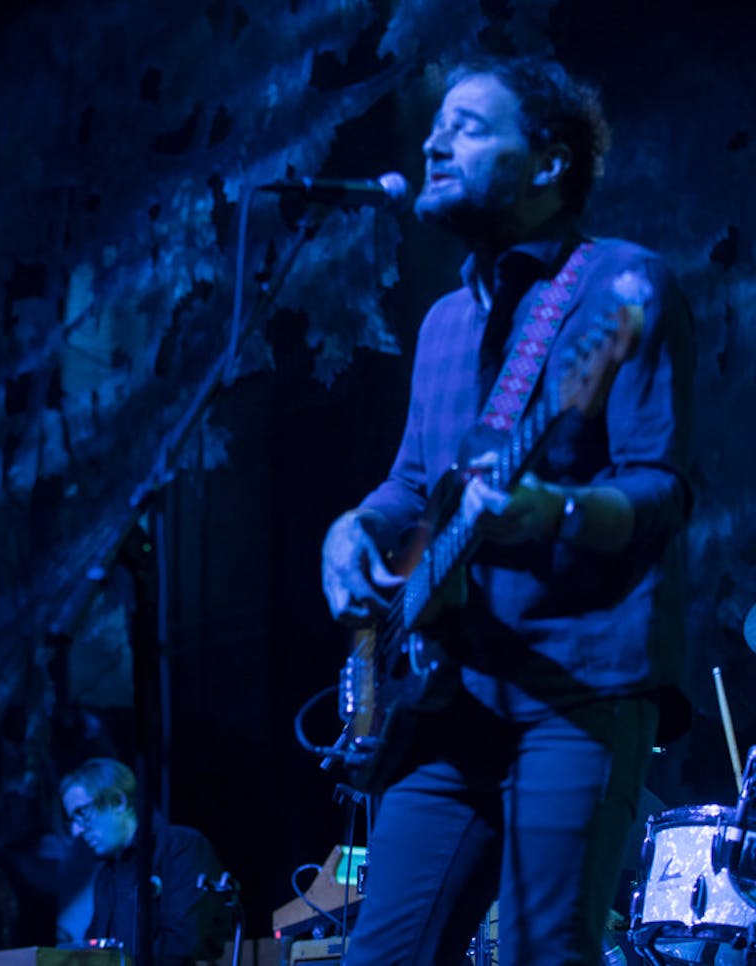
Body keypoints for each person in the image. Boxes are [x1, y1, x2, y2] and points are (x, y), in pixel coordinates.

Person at [319, 55, 693, 964]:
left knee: (542, 952)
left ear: (550, 162)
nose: (435, 142)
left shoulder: (619, 290)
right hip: (446, 699)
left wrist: (552, 510)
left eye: (471, 127)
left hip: (576, 686)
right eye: (435, 126)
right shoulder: (444, 321)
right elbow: (414, 485)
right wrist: (349, 532)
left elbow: (661, 488)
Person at [59, 757, 232, 966]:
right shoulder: (106, 875)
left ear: (118, 801)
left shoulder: (181, 847)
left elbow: (183, 944)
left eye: (82, 813)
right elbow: (97, 952)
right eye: (72, 821)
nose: (77, 830)